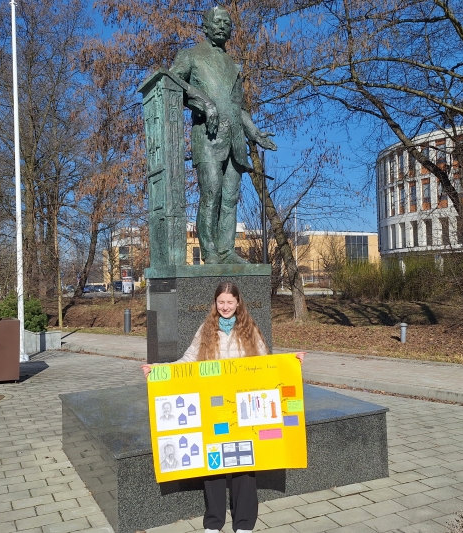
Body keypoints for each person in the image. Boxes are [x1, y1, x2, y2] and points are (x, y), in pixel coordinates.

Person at [143, 281, 305, 533]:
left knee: (245, 466)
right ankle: (213, 523)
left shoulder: (249, 329)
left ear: (238, 303)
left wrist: (291, 362)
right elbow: (187, 360)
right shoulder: (206, 329)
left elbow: (267, 363)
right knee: (213, 465)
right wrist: (158, 369)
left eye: (230, 302)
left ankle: (244, 524)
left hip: (243, 410)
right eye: (221, 302)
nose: (225, 307)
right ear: (215, 303)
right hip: (214, 408)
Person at [170, 6, 277, 265]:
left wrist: (255, 132)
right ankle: (209, 252)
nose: (221, 26)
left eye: (226, 23)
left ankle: (227, 250)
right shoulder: (191, 55)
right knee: (212, 193)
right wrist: (204, 103)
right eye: (216, 22)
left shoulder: (232, 64)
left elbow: (238, 107)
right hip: (208, 136)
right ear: (205, 26)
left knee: (230, 197)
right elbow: (172, 83)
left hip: (235, 140)